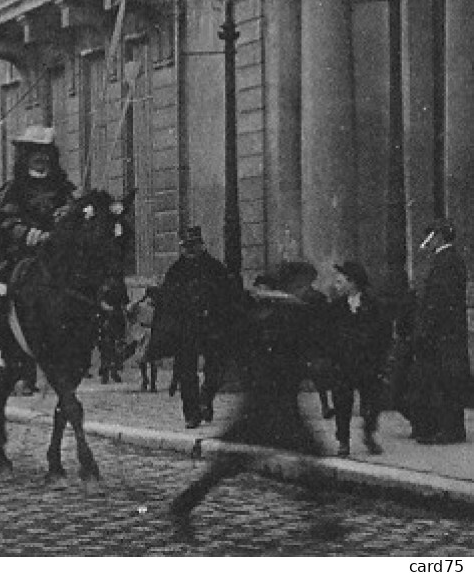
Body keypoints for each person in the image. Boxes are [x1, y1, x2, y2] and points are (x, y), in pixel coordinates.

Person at [169, 261, 338, 541]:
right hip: (270, 403)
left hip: (269, 401)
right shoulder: (286, 312)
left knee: (242, 462)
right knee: (301, 456)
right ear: (295, 283)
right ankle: (183, 505)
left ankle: (324, 520)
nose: (309, 288)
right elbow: (290, 353)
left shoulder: (268, 309)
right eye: (305, 283)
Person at [0, 126, 76, 352]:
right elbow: (5, 219)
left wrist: (64, 222)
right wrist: (25, 233)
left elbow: (72, 216)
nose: (40, 158)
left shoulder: (63, 189)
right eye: (34, 152)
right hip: (18, 252)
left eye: (45, 152)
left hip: (55, 251)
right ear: (26, 156)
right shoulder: (13, 189)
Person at [152, 226, 234, 429]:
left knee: (215, 368)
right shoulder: (176, 270)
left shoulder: (215, 268)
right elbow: (167, 299)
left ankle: (206, 398)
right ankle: (192, 414)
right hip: (185, 327)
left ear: (201, 244)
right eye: (186, 246)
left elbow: (228, 296)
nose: (189, 249)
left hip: (211, 325)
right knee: (187, 372)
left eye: (193, 245)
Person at [407, 224, 470, 444]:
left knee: (447, 382)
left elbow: (439, 301)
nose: (427, 241)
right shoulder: (445, 260)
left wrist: (426, 329)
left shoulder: (447, 261)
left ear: (439, 236)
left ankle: (450, 431)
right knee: (443, 382)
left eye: (430, 236)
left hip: (444, 334)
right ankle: (444, 428)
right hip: (445, 333)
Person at [322, 261, 390, 457]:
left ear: (353, 282)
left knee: (371, 402)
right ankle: (343, 441)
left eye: (340, 281)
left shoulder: (373, 305)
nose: (336, 285)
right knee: (342, 403)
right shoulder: (335, 307)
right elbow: (327, 334)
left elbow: (383, 334)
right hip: (343, 363)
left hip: (368, 362)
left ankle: (369, 434)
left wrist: (380, 358)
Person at [125, 289, 164, 393]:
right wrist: (139, 300)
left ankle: (152, 383)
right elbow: (129, 310)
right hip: (142, 332)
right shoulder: (141, 306)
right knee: (142, 358)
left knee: (153, 360)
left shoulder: (157, 307)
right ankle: (145, 380)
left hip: (153, 331)